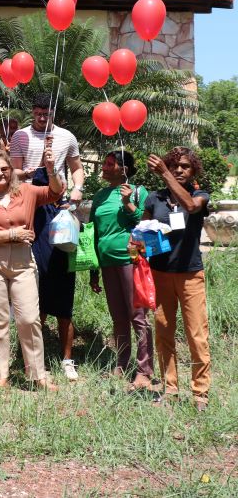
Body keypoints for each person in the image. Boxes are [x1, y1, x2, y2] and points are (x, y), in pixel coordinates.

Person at [0, 149, 64, 391]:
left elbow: (55, 192)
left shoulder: (27, 191)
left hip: (22, 262)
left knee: (29, 317)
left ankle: (37, 374)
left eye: (4, 169)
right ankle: (1, 375)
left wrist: (50, 169)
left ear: (11, 171)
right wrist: (11, 234)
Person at [9, 94, 86, 380]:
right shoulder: (20, 136)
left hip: (60, 207)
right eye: (38, 113)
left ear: (53, 113)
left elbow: (77, 169)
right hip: (31, 207)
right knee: (34, 278)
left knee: (64, 276)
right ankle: (32, 354)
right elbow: (13, 172)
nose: (42, 117)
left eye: (46, 113)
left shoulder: (67, 136)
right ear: (32, 112)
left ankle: (67, 359)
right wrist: (26, 173)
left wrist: (77, 190)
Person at [142, 148, 212, 411]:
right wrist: (137, 242)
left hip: (190, 275)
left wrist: (164, 174)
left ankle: (200, 393)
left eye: (185, 166)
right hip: (160, 275)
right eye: (174, 166)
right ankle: (170, 388)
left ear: (193, 171)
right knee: (163, 333)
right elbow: (143, 231)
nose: (179, 170)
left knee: (197, 335)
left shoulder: (199, 195)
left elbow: (191, 207)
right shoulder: (154, 199)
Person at [88, 151, 153, 390]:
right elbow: (94, 232)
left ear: (123, 169)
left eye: (109, 164)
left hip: (130, 260)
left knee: (138, 316)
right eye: (104, 163)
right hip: (106, 262)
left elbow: (142, 221)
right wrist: (93, 270)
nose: (104, 167)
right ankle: (122, 364)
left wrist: (127, 202)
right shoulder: (100, 196)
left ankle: (144, 370)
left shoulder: (138, 191)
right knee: (118, 318)